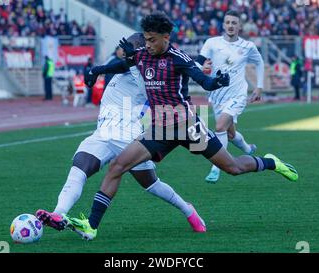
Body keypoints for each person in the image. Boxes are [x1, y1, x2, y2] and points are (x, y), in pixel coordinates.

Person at [67, 11, 298, 240]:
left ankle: (270, 162)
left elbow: (204, 81)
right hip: (158, 127)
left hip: (186, 126)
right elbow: (123, 64)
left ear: (166, 37)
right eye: (145, 39)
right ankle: (91, 226)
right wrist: (97, 71)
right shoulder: (142, 55)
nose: (147, 44)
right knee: (117, 166)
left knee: (233, 168)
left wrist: (216, 82)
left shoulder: (179, 58)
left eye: (152, 40)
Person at [36, 33, 207, 235]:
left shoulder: (147, 71)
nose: (124, 49)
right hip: (103, 133)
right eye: (125, 46)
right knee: (79, 168)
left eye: (131, 47)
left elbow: (146, 92)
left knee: (151, 184)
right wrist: (96, 71)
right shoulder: (124, 65)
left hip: (129, 135)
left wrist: (132, 63)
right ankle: (59, 214)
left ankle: (188, 210)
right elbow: (116, 66)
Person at [196, 11, 264, 183]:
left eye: (234, 22)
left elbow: (259, 62)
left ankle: (215, 167)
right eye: (228, 22)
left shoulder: (247, 46)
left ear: (239, 26)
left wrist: (259, 86)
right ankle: (248, 149)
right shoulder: (212, 43)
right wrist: (200, 69)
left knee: (219, 127)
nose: (231, 25)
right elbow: (198, 62)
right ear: (223, 25)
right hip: (217, 96)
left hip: (238, 95)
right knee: (230, 134)